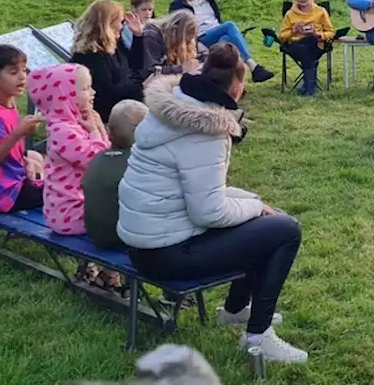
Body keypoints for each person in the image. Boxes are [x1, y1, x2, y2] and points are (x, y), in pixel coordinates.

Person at [117, 45, 307, 364]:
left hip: (143, 243)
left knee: (264, 223)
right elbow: (209, 211)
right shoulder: (206, 130)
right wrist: (256, 209)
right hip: (166, 253)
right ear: (237, 85)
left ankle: (235, 311)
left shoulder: (170, 110)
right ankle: (257, 337)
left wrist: (255, 203)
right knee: (286, 230)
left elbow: (201, 190)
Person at [31, 63, 111, 236]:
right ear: (66, 95)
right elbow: (99, 162)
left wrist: (96, 128)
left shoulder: (72, 123)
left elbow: (107, 152)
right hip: (70, 216)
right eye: (86, 88)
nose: (93, 93)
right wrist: (95, 131)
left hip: (76, 208)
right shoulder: (63, 130)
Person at [0, 45, 45, 213]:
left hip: (15, 181)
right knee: (67, 189)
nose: (22, 77)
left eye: (24, 70)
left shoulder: (8, 102)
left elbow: (11, 152)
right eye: (13, 73)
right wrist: (18, 133)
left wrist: (25, 162)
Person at [169, 0, 273, 83]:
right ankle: (253, 65)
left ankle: (230, 82)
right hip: (199, 39)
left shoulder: (207, 0)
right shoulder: (178, 5)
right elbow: (178, 30)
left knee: (227, 41)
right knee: (229, 26)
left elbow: (217, 20)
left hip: (217, 34)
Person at [83, 99, 148, 250]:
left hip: (95, 233)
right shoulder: (138, 165)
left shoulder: (98, 158)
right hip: (122, 237)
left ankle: (107, 273)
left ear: (108, 132)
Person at [71, 0, 147, 122]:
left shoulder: (111, 44)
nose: (122, 27)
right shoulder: (90, 54)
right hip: (104, 116)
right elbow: (105, 93)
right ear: (108, 24)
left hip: (123, 106)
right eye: (120, 22)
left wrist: (138, 36)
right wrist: (140, 87)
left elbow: (134, 66)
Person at [281, 0, 335, 96]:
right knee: (303, 46)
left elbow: (330, 32)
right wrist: (294, 31)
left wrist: (318, 34)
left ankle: (308, 86)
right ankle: (310, 87)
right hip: (296, 46)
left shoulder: (321, 12)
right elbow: (282, 36)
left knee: (310, 40)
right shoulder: (290, 14)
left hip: (316, 45)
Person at [141, 10, 202, 77]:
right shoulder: (151, 36)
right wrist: (181, 68)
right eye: (185, 41)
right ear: (174, 31)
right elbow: (151, 70)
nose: (186, 44)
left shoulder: (182, 38)